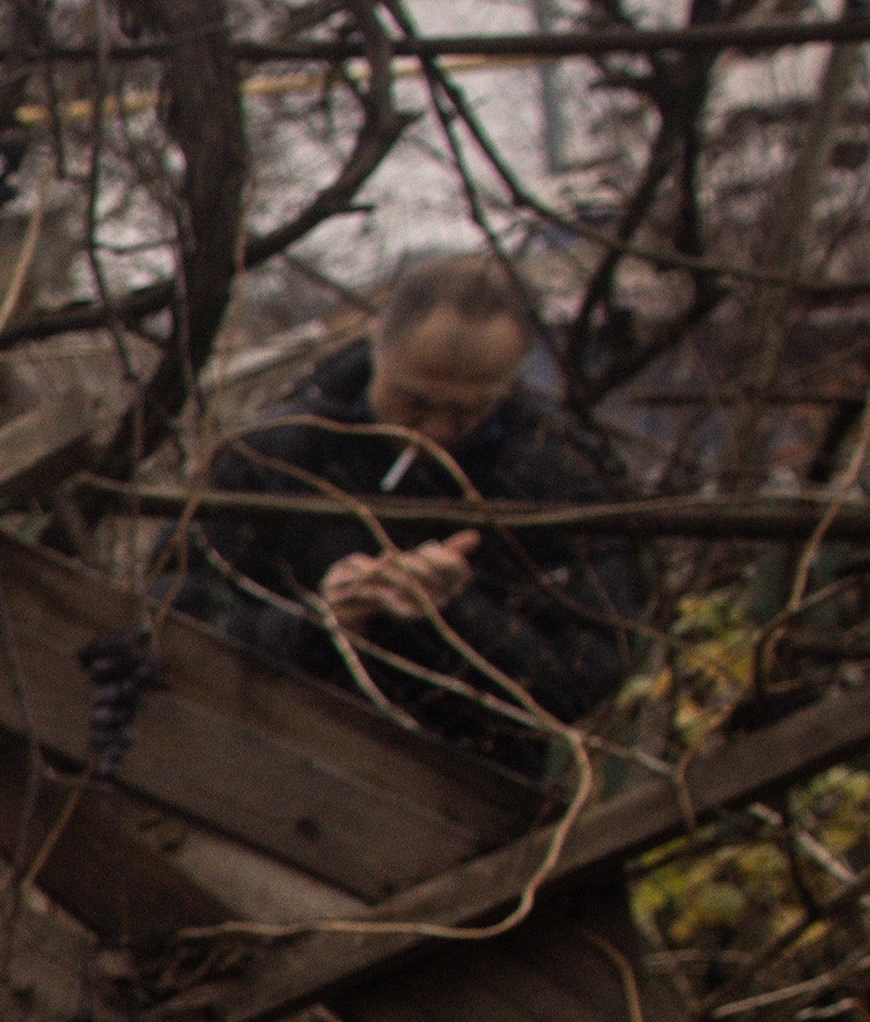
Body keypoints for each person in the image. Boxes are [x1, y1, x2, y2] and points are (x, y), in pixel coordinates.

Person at [183, 250, 652, 760]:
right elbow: (177, 613)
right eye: (416, 401)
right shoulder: (276, 451)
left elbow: (591, 681)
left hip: (466, 785)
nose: (436, 431)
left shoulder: (560, 478)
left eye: (468, 410)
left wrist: (459, 611)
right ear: (378, 350)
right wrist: (322, 623)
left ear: (511, 379)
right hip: (260, 753)